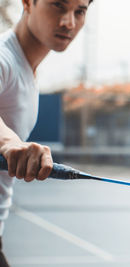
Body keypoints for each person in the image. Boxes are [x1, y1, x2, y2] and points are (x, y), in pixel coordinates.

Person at [0, 0, 93, 265]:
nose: (69, 22)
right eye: (58, 6)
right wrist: (9, 143)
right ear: (28, 2)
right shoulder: (4, 58)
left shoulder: (28, 69)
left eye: (80, 11)